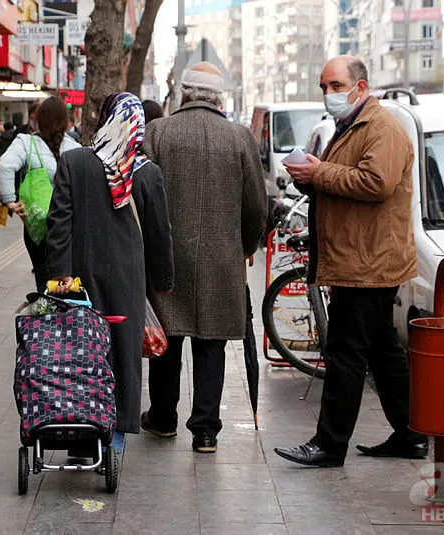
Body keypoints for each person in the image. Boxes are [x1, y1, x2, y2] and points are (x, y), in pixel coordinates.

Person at [274, 56, 427, 468]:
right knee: (381, 351)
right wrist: (310, 176)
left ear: (360, 87)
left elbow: (376, 183)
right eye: (323, 86)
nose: (328, 94)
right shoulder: (352, 125)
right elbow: (346, 181)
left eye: (335, 85)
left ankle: (329, 444)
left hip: (368, 263)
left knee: (346, 353)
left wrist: (319, 173)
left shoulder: (383, 128)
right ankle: (412, 434)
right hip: (361, 258)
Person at [140, 62, 268, 453]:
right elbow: (257, 206)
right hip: (221, 257)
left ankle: (163, 419)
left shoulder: (157, 132)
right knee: (211, 342)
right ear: (218, 98)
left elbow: (140, 197)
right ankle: (206, 430)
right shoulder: (239, 137)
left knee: (167, 339)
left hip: (167, 257)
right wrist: (245, 246)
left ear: (184, 93)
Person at [48, 92, 174, 452]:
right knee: (121, 354)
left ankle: (80, 428)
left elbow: (59, 226)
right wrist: (161, 283)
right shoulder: (146, 172)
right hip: (128, 280)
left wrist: (59, 278)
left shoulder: (75, 163)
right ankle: (114, 438)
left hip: (78, 276)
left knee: (80, 351)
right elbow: (158, 233)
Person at [0, 96, 80, 290]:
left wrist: (10, 201)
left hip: (36, 223)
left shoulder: (26, 143)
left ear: (38, 120)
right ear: (66, 122)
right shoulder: (76, 148)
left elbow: (5, 166)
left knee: (43, 277)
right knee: (67, 280)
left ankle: (45, 314)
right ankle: (65, 316)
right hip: (67, 226)